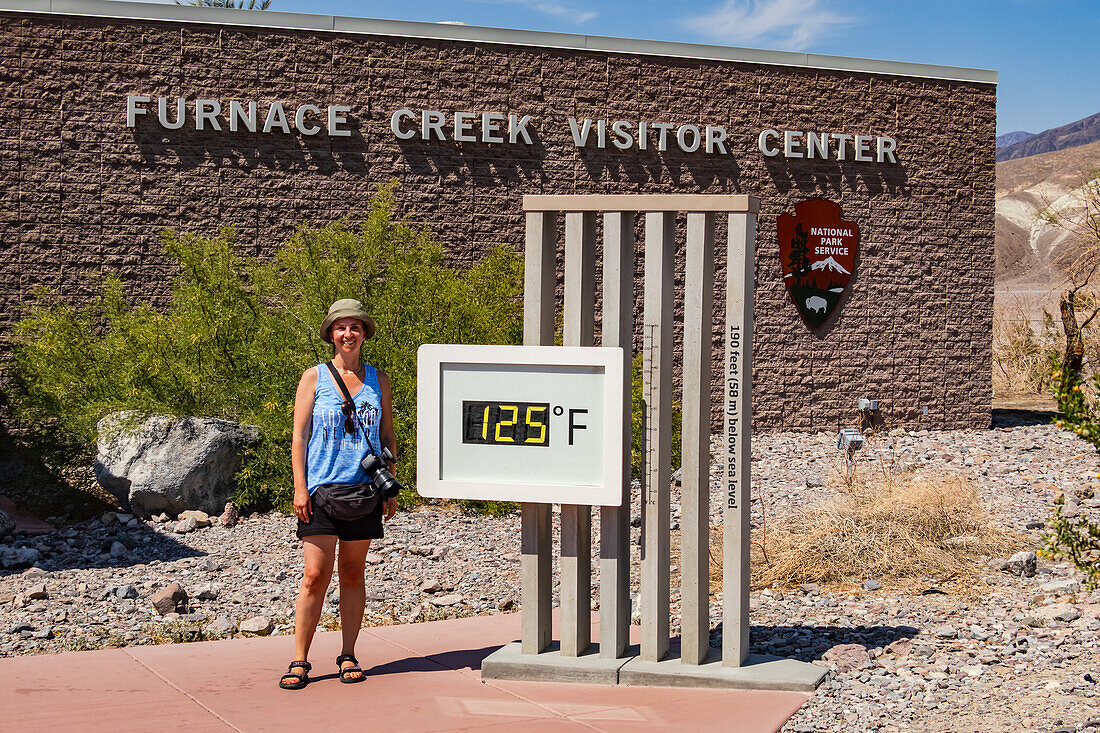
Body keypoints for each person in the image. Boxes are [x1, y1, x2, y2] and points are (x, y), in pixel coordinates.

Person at [279, 299, 399, 690]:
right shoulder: (313, 378)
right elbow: (299, 436)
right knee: (314, 575)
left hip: (364, 490)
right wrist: (299, 486)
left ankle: (348, 653)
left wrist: (391, 484)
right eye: (340, 327)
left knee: (352, 572)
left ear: (364, 333)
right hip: (319, 490)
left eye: (355, 327)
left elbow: (386, 436)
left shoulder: (379, 379)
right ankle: (300, 659)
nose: (348, 334)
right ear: (331, 334)